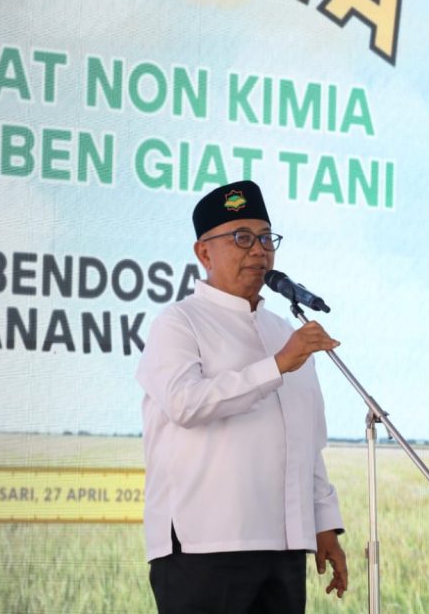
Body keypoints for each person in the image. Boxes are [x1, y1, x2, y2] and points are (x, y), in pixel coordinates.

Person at [137, 180, 348, 613]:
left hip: (284, 546)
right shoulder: (178, 323)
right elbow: (185, 404)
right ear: (204, 253)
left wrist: (324, 524)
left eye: (266, 239)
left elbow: (306, 441)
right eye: (242, 238)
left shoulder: (284, 332)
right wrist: (276, 366)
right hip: (203, 545)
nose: (259, 251)